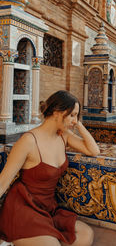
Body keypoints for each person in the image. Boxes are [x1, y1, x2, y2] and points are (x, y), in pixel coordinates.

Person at [0, 90, 100, 246]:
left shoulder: (63, 136)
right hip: (23, 209)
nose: (74, 120)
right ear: (57, 113)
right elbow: (3, 181)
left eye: (77, 115)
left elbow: (93, 150)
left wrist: (78, 124)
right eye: (72, 115)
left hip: (48, 209)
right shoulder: (28, 141)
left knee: (86, 235)